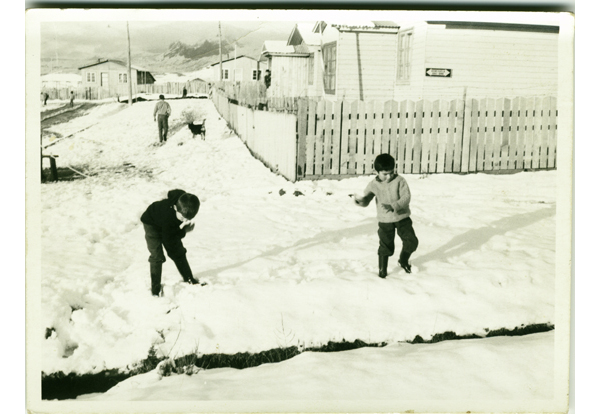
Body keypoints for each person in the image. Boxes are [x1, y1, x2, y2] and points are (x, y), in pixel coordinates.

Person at [353, 153, 419, 278]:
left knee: (412, 241)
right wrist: (362, 201)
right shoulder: (373, 185)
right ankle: (382, 270)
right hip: (385, 220)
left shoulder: (400, 181)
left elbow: (406, 197)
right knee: (385, 246)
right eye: (385, 174)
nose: (389, 176)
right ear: (376, 172)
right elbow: (367, 198)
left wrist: (394, 205)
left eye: (391, 172)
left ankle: (403, 260)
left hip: (402, 217)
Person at [141, 189, 201, 296]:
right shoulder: (167, 217)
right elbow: (169, 238)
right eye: (182, 217)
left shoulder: (182, 201)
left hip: (166, 225)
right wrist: (183, 231)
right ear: (175, 207)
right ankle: (155, 290)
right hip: (151, 223)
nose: (183, 220)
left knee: (178, 252)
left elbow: (171, 234)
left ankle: (189, 279)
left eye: (187, 219)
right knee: (157, 256)